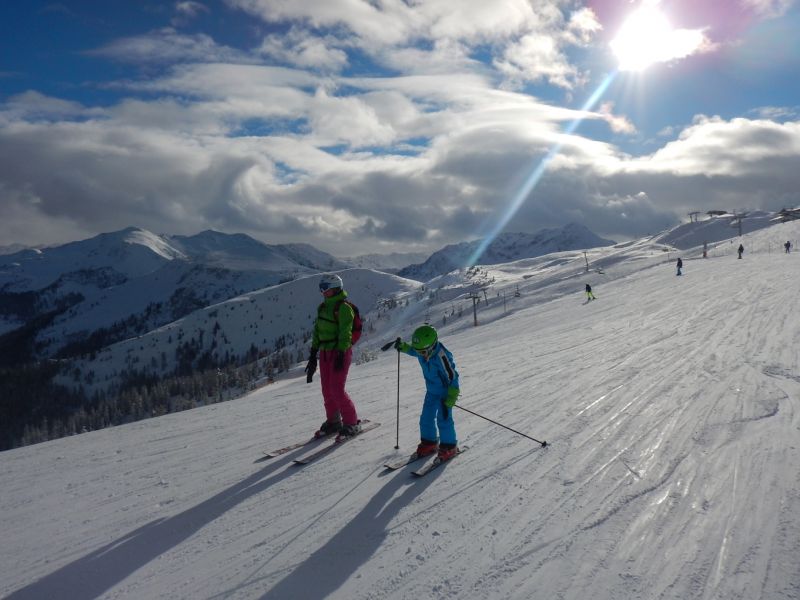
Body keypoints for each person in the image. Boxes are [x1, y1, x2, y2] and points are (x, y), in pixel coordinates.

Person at [304, 273, 361, 439]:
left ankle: (351, 422)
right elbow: (317, 331)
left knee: (337, 389)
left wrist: (342, 353)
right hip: (325, 353)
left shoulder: (344, 308)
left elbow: (345, 333)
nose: (323, 292)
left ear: (336, 289)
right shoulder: (323, 308)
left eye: (325, 289)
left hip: (339, 352)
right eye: (321, 289)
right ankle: (334, 422)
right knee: (327, 390)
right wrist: (314, 352)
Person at [394, 324, 460, 462]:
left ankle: (449, 446)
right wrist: (405, 347)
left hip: (444, 393)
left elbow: (452, 375)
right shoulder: (422, 351)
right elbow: (413, 350)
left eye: (423, 352)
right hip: (431, 391)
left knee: (444, 419)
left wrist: (452, 394)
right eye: (419, 352)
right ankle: (429, 442)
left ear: (432, 346)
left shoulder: (442, 356)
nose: (420, 355)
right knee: (426, 418)